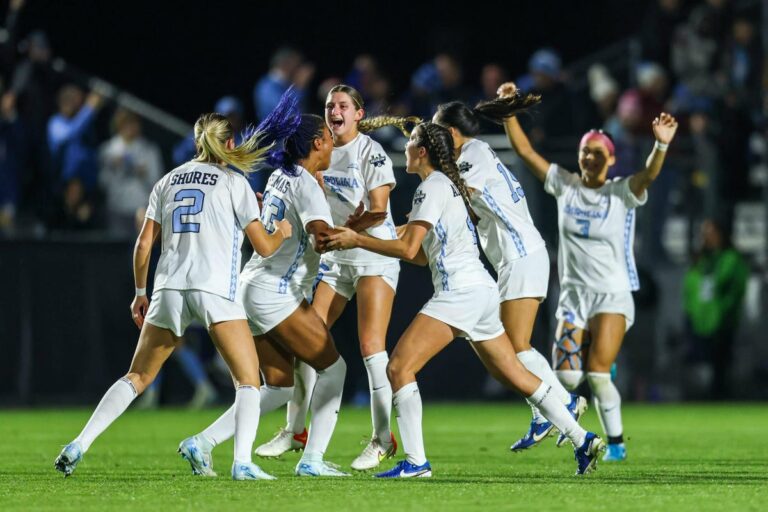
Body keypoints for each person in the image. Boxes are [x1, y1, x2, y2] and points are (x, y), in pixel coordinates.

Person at [323, 122, 604, 477]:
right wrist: (379, 240)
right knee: (517, 375)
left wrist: (358, 240)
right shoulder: (448, 187)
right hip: (481, 291)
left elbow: (409, 247)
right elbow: (421, 255)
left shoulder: (432, 188)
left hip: (460, 292)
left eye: (411, 142)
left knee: (398, 367)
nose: (406, 147)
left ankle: (415, 462)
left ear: (422, 151)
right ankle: (583, 439)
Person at [54, 112, 293, 481]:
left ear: (197, 142)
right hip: (213, 289)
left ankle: (79, 443)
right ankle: (242, 463)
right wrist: (281, 230)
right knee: (249, 382)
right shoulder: (235, 181)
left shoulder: (166, 181)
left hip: (168, 289)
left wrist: (139, 292)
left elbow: (143, 244)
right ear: (229, 144)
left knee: (136, 376)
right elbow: (263, 247)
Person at [178, 91, 386, 477]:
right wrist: (354, 229)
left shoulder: (280, 175)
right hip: (275, 292)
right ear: (318, 144)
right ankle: (312, 460)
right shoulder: (307, 184)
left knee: (277, 387)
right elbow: (321, 239)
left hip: (250, 286)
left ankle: (202, 442)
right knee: (334, 369)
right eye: (325, 136)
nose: (331, 144)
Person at [499, 81, 679, 462]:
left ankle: (615, 443)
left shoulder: (620, 192)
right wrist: (508, 113)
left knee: (597, 374)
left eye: (597, 153)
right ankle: (571, 419)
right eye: (585, 152)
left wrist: (660, 144)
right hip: (573, 296)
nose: (590, 158)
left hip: (612, 294)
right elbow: (526, 151)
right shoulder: (566, 186)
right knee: (566, 380)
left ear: (611, 159)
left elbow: (647, 176)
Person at [255, 84, 418, 472]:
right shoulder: (319, 151)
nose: (335, 110)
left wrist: (346, 230)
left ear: (358, 114)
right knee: (309, 342)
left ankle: (382, 439)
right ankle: (296, 431)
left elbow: (379, 210)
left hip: (371, 254)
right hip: (336, 255)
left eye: (343, 105)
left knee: (370, 348)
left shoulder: (369, 152)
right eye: (330, 105)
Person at [432, 97, 587, 451]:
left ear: (452, 132)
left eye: (437, 131)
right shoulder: (473, 153)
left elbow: (458, 191)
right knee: (511, 349)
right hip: (517, 257)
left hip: (521, 255)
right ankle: (548, 410)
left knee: (514, 348)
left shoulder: (473, 154)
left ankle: (562, 403)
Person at [683, 218, 749, 399]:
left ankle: (721, 397)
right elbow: (691, 287)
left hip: (721, 320)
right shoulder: (700, 261)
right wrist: (691, 311)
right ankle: (700, 398)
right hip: (700, 320)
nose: (706, 238)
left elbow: (733, 288)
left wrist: (726, 311)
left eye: (710, 233)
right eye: (704, 234)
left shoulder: (730, 259)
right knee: (699, 364)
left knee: (720, 365)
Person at [99, 108, 163, 236]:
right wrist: (113, 167)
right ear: (118, 125)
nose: (129, 127)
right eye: (125, 123)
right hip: (116, 209)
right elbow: (102, 183)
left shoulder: (149, 150)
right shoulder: (108, 150)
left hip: (141, 209)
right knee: (117, 249)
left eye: (133, 123)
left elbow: (158, 183)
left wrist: (143, 174)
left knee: (140, 251)